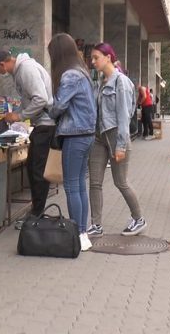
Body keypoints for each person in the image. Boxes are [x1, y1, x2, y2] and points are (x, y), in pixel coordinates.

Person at [87, 43, 147, 237]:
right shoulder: (100, 82)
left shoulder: (120, 82)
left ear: (108, 57)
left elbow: (124, 116)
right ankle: (96, 225)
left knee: (120, 182)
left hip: (115, 136)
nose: (93, 61)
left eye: (96, 57)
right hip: (99, 136)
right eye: (92, 58)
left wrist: (121, 145)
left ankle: (139, 219)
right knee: (95, 182)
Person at [0, 49, 55, 218]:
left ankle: (37, 213)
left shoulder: (26, 69)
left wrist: (19, 116)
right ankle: (37, 209)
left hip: (45, 125)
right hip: (41, 124)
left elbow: (41, 99)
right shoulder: (20, 71)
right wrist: (14, 113)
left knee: (37, 170)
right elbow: (29, 101)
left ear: (2, 64)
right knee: (32, 167)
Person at [47, 34, 97, 251]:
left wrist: (46, 106)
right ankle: (83, 233)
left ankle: (77, 233)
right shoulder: (83, 72)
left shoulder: (69, 75)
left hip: (74, 135)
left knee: (70, 186)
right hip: (86, 135)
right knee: (79, 186)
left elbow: (58, 107)